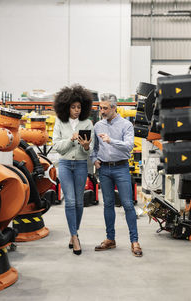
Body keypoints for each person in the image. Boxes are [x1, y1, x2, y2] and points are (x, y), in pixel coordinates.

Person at [91, 93, 142, 257]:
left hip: (121, 168)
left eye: (105, 108)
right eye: (101, 108)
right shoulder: (98, 125)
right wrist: (94, 159)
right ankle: (110, 239)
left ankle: (134, 241)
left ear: (114, 108)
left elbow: (129, 147)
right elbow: (94, 147)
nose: (102, 111)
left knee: (127, 204)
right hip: (104, 169)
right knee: (107, 204)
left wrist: (111, 140)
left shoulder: (126, 125)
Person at [53, 84, 94, 255]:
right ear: (66, 107)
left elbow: (90, 150)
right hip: (64, 165)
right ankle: (75, 236)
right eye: (73, 107)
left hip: (80, 165)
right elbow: (57, 146)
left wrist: (85, 146)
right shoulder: (60, 122)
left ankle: (73, 233)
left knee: (78, 202)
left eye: (79, 107)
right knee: (69, 201)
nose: (76, 110)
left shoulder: (88, 123)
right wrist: (71, 140)